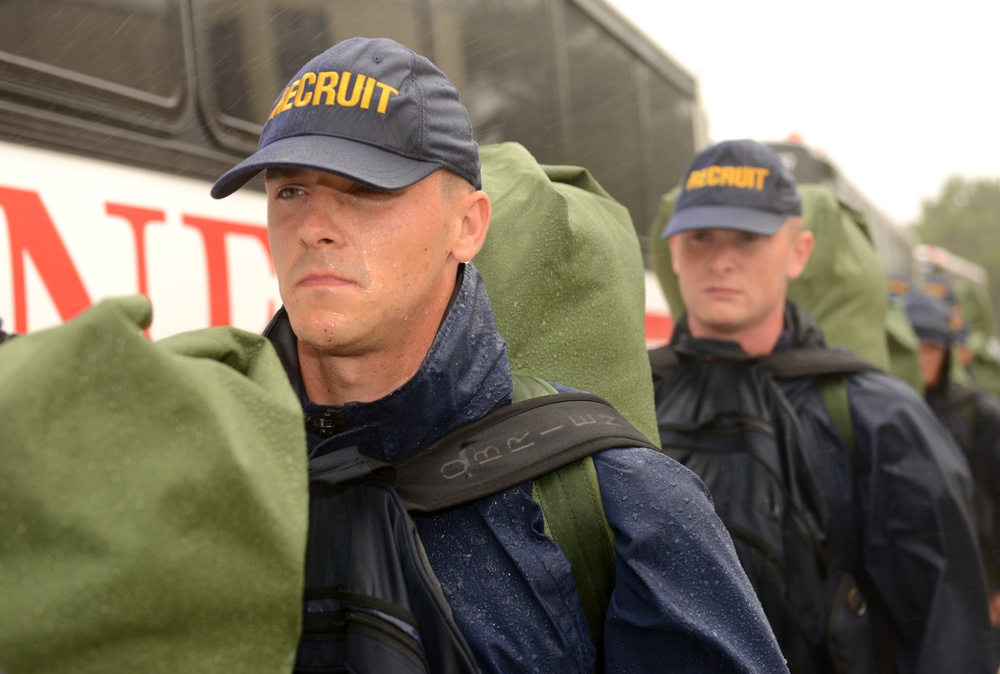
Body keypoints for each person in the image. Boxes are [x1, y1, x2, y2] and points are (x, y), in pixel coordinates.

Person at [209, 38, 787, 673]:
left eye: (365, 187)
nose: (314, 225)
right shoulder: (209, 467)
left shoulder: (623, 503)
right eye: (289, 191)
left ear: (468, 226)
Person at [651, 139, 994, 673]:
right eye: (700, 238)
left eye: (747, 238)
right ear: (672, 250)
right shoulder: (628, 403)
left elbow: (945, 632)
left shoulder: (882, 420)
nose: (720, 260)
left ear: (799, 251)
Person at [904, 286, 1000, 628]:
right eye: (913, 345)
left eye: (932, 346)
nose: (922, 357)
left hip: (976, 571)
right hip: (917, 579)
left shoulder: (979, 411)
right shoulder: (888, 414)